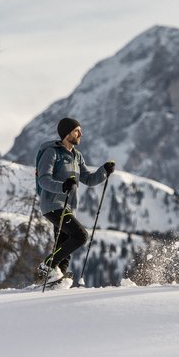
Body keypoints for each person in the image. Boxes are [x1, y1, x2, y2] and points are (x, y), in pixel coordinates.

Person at [34, 117, 115, 285]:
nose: (81, 134)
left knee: (64, 247)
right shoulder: (52, 152)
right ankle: (48, 265)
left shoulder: (77, 156)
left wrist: (104, 171)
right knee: (80, 236)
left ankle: (56, 280)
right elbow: (43, 179)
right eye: (77, 130)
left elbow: (89, 179)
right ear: (67, 133)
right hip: (53, 205)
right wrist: (62, 186)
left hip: (69, 206)